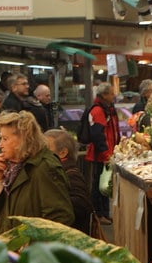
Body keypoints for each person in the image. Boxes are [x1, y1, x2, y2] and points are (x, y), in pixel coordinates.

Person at [0, 111, 74, 237]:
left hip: (29, 254)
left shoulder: (44, 167)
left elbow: (60, 218)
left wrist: (31, 246)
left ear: (24, 139)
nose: (0, 145)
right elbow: (2, 212)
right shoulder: (14, 167)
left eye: (5, 139)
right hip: (11, 250)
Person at [44, 128, 95, 236]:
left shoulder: (70, 175)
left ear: (63, 152)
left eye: (46, 148)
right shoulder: (55, 171)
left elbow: (81, 205)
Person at [86, 82, 120, 225]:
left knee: (105, 186)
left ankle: (105, 214)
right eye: (112, 93)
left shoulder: (108, 109)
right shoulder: (98, 111)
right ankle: (98, 215)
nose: (114, 96)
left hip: (107, 154)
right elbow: (98, 135)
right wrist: (106, 155)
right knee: (99, 187)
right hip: (100, 156)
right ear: (104, 95)